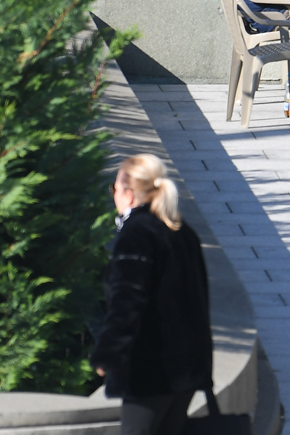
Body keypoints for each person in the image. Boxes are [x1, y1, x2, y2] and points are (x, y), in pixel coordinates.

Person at [91, 154, 212, 435]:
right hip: (186, 368)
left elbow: (127, 301)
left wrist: (107, 354)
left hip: (151, 371)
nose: (113, 195)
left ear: (129, 194)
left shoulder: (136, 235)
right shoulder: (181, 230)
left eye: (114, 189)